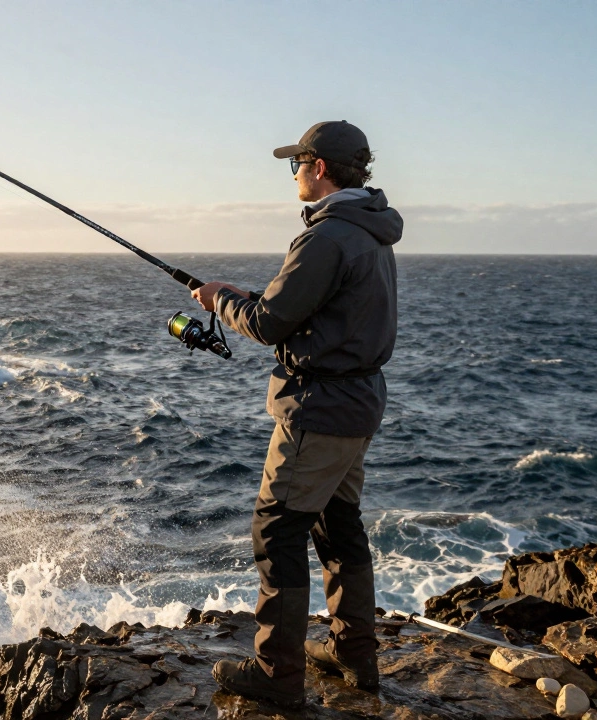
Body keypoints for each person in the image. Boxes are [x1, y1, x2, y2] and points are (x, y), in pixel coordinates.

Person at [193, 121, 402, 708]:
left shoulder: (328, 236)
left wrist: (219, 299)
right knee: (338, 525)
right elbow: (316, 311)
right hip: (358, 404)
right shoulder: (371, 229)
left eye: (297, 165)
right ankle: (354, 653)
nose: (294, 176)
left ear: (320, 168)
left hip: (318, 409)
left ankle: (277, 675)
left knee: (277, 530)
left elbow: (267, 325)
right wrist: (247, 298)